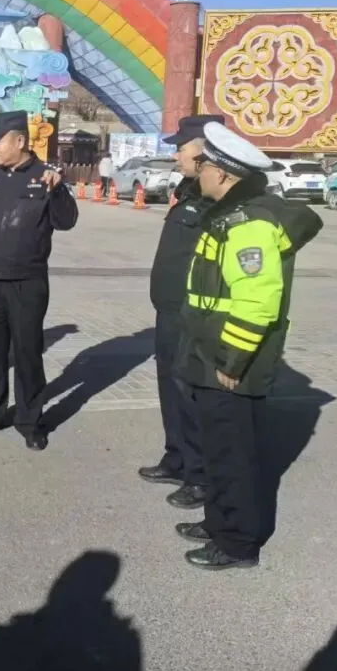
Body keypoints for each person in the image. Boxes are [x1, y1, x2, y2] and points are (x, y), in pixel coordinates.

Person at [176, 121, 321, 570]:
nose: (198, 172)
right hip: (212, 351)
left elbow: (258, 300)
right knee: (219, 449)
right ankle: (219, 521)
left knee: (232, 455)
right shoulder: (229, 215)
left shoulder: (248, 224)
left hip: (230, 360)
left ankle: (237, 542)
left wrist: (232, 360)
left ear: (222, 173)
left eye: (204, 166)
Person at [0, 110, 78, 451]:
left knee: (27, 353)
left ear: (20, 141)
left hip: (28, 282)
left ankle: (30, 420)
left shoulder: (45, 177)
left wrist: (59, 190)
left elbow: (67, 221)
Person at [139, 114, 225, 510]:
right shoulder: (190, 191)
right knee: (170, 390)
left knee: (191, 396)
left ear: (204, 151)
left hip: (194, 314)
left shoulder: (217, 200)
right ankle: (176, 457)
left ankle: (199, 476)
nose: (176, 156)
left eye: (181, 148)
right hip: (169, 310)